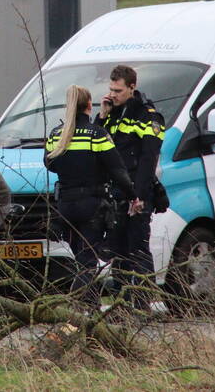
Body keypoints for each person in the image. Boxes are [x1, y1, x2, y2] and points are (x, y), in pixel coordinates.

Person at [44, 85, 144, 307]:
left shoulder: (56, 135)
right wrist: (133, 196)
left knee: (82, 260)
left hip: (66, 207)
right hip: (92, 207)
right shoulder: (97, 134)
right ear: (89, 105)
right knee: (89, 263)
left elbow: (49, 164)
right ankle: (76, 313)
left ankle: (90, 309)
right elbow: (118, 170)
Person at [94, 64, 170, 306]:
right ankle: (122, 302)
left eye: (118, 90)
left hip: (137, 193)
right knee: (117, 250)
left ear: (132, 87)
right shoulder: (114, 113)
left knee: (137, 248)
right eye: (111, 89)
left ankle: (142, 303)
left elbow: (149, 159)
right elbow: (99, 144)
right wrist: (102, 116)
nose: (113, 94)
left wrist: (137, 197)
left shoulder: (148, 116)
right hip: (115, 192)